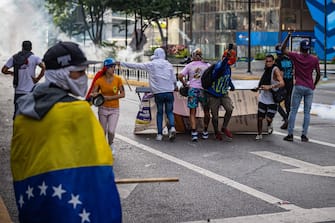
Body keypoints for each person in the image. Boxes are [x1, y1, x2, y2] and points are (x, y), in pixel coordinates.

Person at [11, 41, 122, 223]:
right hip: (71, 210)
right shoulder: (78, 112)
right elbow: (99, 166)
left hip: (35, 206)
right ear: (62, 74)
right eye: (78, 72)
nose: (84, 77)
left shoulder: (23, 111)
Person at [116, 48, 177, 141]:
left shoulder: (151, 65)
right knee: (169, 112)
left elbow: (136, 66)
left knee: (160, 112)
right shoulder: (169, 65)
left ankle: (159, 135)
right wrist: (175, 86)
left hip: (158, 93)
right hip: (169, 92)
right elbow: (174, 80)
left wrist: (121, 63)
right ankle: (172, 127)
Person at [280, 33, 321, 142]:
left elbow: (282, 49)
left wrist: (288, 36)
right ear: (308, 49)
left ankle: (290, 134)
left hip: (298, 86)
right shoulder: (314, 59)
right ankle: (304, 135)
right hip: (309, 88)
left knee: (293, 111)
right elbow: (318, 74)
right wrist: (314, 85)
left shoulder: (296, 56)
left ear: (300, 48)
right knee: (307, 112)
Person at [1, 40, 45, 117]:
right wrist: (37, 79)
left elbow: (4, 70)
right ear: (31, 48)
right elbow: (44, 67)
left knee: (17, 115)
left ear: (22, 48)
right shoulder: (35, 58)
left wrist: (12, 73)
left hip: (18, 91)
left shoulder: (14, 58)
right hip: (30, 91)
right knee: (29, 115)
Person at [90, 58, 125, 155]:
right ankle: (103, 148)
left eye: (114, 67)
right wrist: (95, 94)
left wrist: (109, 98)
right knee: (103, 131)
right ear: (106, 68)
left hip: (114, 109)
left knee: (111, 131)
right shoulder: (99, 81)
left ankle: (111, 144)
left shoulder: (118, 80)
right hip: (103, 109)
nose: (114, 69)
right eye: (112, 67)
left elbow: (122, 94)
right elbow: (94, 92)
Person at [178, 48, 211, 142]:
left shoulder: (189, 65)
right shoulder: (207, 65)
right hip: (203, 90)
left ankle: (194, 133)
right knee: (206, 111)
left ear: (193, 56)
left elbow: (180, 76)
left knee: (192, 112)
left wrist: (185, 84)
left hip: (192, 89)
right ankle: (205, 131)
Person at [206, 48, 236, 141]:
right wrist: (226, 58)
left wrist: (232, 86)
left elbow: (228, 78)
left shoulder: (228, 68)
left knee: (230, 109)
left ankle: (224, 127)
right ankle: (216, 132)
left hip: (223, 94)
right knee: (215, 116)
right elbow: (221, 67)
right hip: (213, 94)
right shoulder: (219, 66)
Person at [254, 54, 284, 140]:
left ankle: (269, 124)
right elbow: (262, 83)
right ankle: (259, 134)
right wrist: (258, 88)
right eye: (267, 61)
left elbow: (282, 83)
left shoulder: (275, 70)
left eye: (270, 61)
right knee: (260, 118)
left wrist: (270, 87)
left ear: (273, 62)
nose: (268, 63)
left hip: (273, 99)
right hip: (263, 98)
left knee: (268, 118)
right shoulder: (266, 70)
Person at [275, 43, 294, 129]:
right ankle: (289, 121)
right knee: (287, 103)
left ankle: (286, 118)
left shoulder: (278, 60)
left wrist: (276, 84)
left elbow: (281, 74)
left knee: (275, 102)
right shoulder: (289, 59)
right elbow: (293, 71)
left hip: (283, 84)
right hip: (290, 83)